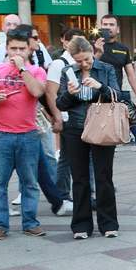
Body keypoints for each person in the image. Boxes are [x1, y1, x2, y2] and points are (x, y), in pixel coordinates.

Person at [0, 26, 49, 240]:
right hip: (0, 134)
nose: (17, 53)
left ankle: (30, 222)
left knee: (29, 182)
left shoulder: (36, 72)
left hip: (28, 134)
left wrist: (22, 69)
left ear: (29, 50)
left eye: (21, 49)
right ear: (6, 49)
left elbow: (37, 92)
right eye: (13, 49)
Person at [55, 37, 121, 240]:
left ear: (92, 52)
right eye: (79, 61)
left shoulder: (105, 69)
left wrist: (100, 87)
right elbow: (60, 103)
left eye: (86, 59)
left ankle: (108, 223)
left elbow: (117, 95)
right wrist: (71, 94)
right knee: (80, 178)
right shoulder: (68, 72)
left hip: (101, 127)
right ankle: (81, 225)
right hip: (75, 129)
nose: (83, 64)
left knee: (104, 176)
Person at [98, 16, 136, 151]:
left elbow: (131, 75)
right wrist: (97, 51)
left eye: (111, 25)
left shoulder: (123, 49)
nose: (108, 27)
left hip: (114, 98)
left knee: (110, 139)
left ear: (117, 29)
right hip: (94, 98)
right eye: (105, 24)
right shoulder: (92, 47)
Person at [45, 28, 81, 198]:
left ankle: (83, 192)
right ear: (65, 42)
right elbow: (51, 92)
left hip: (82, 116)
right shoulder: (59, 63)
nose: (77, 46)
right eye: (73, 41)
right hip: (66, 116)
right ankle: (63, 194)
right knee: (66, 158)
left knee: (78, 157)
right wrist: (57, 117)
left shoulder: (82, 60)